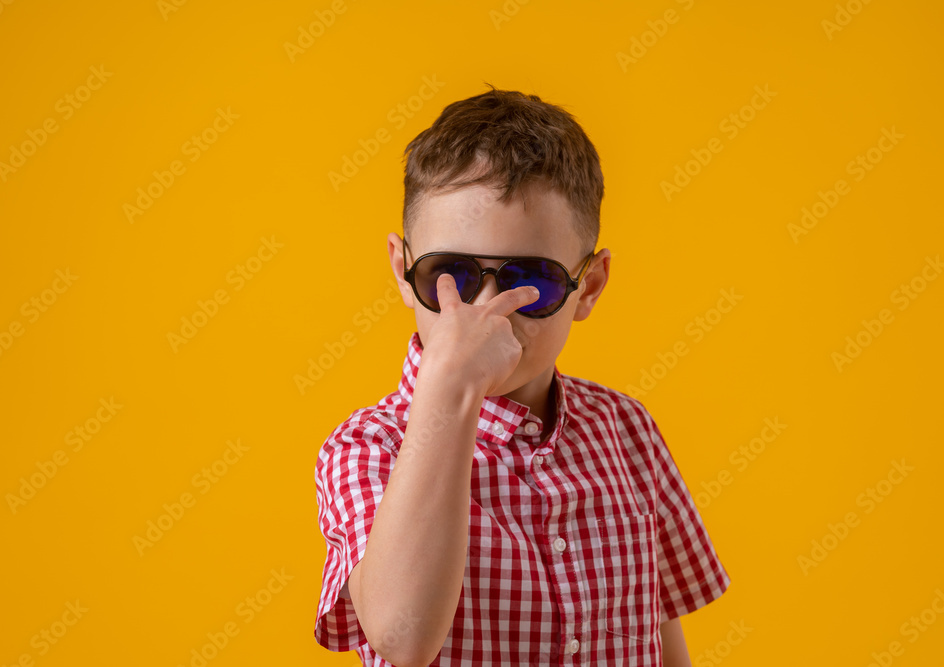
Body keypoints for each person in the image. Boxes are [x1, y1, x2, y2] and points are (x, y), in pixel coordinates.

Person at [313, 84, 731, 666]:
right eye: (451, 273)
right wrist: (451, 390)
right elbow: (402, 638)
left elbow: (660, 628)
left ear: (589, 286)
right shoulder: (368, 447)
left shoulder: (628, 430)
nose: (487, 309)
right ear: (403, 271)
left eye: (529, 280)